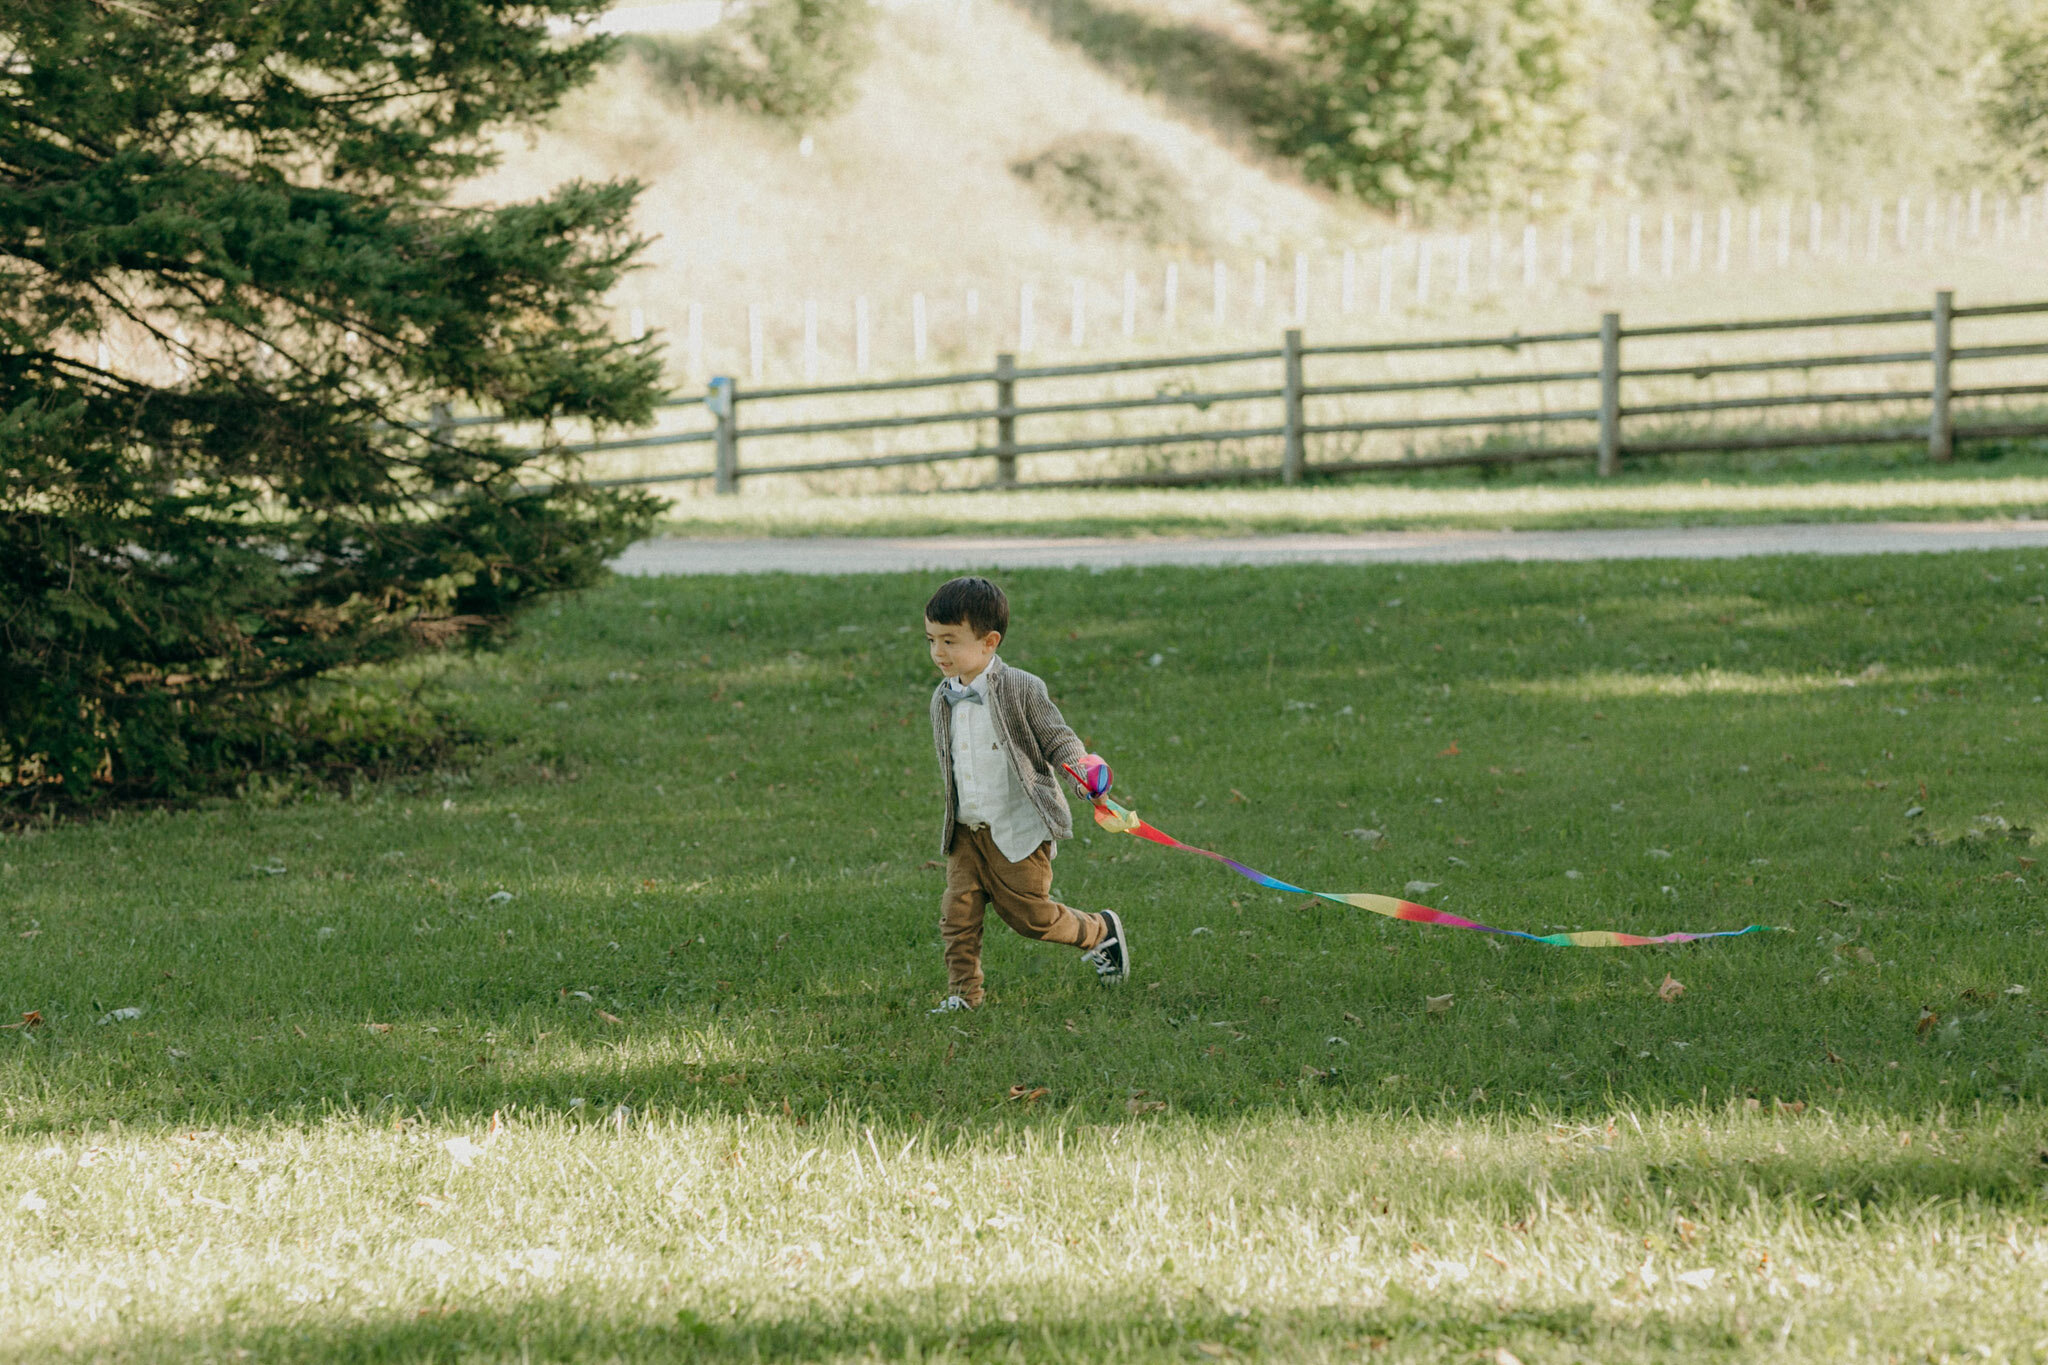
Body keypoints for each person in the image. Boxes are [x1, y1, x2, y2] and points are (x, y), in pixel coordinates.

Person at [922, 576, 1128, 1012]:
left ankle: (1100, 932)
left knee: (1031, 918)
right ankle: (965, 996)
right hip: (965, 830)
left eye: (950, 640)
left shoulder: (1021, 687)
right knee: (957, 917)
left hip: (1017, 824)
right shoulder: (942, 698)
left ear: (989, 641)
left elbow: (1058, 739)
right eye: (932, 640)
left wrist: (1084, 777)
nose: (938, 652)